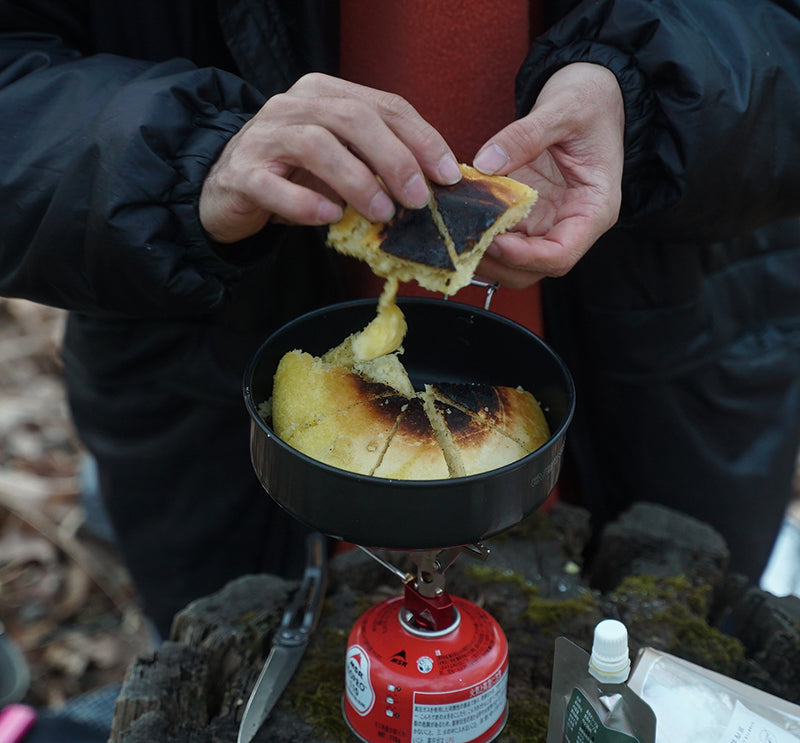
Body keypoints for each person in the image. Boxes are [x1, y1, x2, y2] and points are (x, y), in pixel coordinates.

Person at [2, 0, 800, 639]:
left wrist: (652, 93)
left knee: (648, 656)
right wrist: (185, 158)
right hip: (212, 418)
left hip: (674, 379)